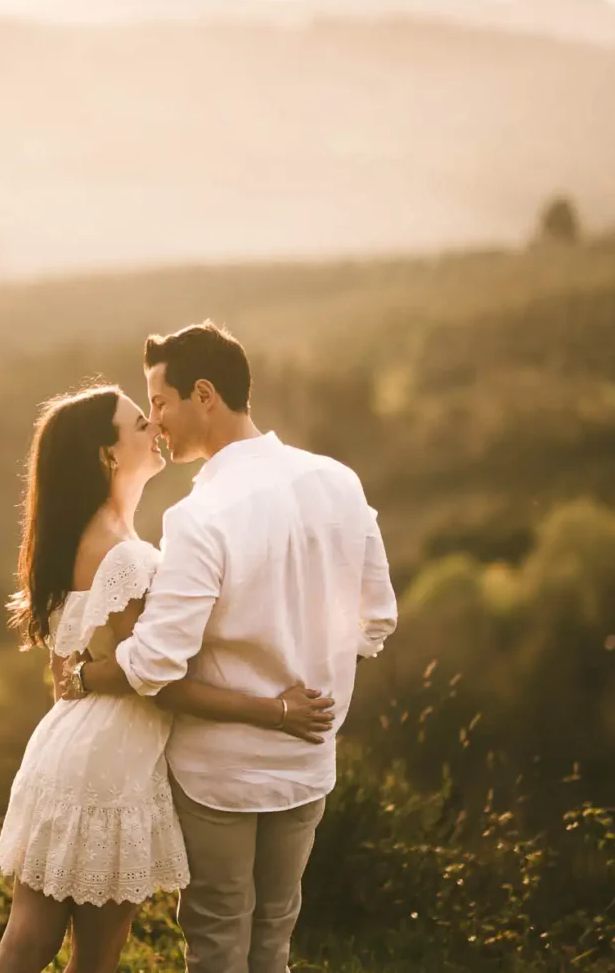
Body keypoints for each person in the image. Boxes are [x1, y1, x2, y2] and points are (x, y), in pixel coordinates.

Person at [67, 322, 399, 973]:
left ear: (205, 395)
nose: (155, 422)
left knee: (218, 941)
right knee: (273, 939)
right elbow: (377, 619)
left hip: (220, 774)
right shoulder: (339, 482)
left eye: (159, 403)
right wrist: (314, 655)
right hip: (307, 760)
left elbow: (158, 662)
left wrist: (90, 673)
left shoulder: (201, 514)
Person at [0, 382, 337, 973]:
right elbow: (160, 680)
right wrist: (275, 710)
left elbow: (69, 669)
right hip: (109, 765)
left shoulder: (77, 539)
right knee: (87, 958)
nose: (155, 426)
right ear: (109, 454)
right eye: (138, 424)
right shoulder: (125, 555)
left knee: (29, 941)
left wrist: (88, 677)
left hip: (65, 750)